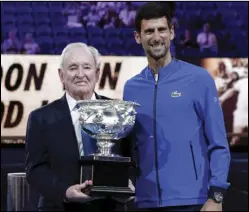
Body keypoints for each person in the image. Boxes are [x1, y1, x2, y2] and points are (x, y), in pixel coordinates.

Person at [122, 3, 231, 211]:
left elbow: (218, 143)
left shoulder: (199, 79)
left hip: (193, 201)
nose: (156, 37)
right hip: (146, 201)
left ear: (171, 32)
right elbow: (130, 146)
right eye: (149, 31)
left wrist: (216, 196)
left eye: (162, 30)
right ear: (138, 37)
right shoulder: (131, 88)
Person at [25, 43, 126, 211]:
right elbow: (35, 170)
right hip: (60, 207)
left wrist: (126, 184)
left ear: (97, 73)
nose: (80, 74)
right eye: (73, 68)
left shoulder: (118, 112)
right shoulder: (40, 118)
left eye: (87, 67)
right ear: (61, 75)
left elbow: (129, 158)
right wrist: (65, 191)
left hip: (109, 207)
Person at [220, 72, 248, 146]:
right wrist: (222, 99)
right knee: (235, 139)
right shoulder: (243, 81)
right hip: (241, 114)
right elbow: (232, 90)